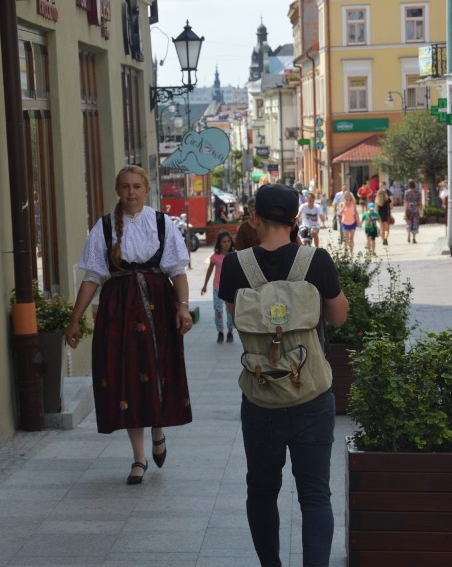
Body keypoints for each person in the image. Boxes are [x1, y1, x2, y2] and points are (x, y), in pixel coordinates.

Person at [218, 183, 349, 567]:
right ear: (295, 220)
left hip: (260, 397)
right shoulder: (316, 261)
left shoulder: (234, 266)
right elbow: (339, 318)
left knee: (261, 491)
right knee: (314, 495)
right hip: (311, 394)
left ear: (254, 216)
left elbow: (236, 319)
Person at [65, 165, 193, 485]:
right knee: (127, 379)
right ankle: (139, 458)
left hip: (158, 306)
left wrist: (184, 308)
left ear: (146, 190)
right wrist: (75, 319)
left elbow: (177, 271)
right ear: (118, 190)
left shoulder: (162, 223)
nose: (131, 192)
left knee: (158, 369)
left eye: (137, 186)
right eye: (125, 187)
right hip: (119, 309)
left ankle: (159, 431)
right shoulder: (105, 227)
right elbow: (92, 277)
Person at [201, 229, 235, 343]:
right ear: (219, 243)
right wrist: (205, 285)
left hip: (230, 288)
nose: (226, 244)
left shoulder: (234, 256)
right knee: (218, 311)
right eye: (223, 242)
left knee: (230, 311)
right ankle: (220, 332)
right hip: (217, 288)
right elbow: (209, 271)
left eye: (228, 241)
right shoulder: (215, 257)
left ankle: (230, 331)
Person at [403, 179, 423, 244]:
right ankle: (414, 238)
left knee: (408, 222)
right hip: (416, 209)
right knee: (415, 223)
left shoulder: (406, 192)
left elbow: (405, 202)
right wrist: (421, 210)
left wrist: (405, 211)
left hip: (408, 209)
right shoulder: (418, 193)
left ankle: (408, 234)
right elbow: (420, 203)